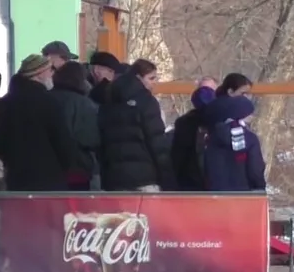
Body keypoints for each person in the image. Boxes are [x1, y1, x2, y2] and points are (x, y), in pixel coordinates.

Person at [0, 55, 83, 191]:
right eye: (49, 69)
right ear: (38, 74)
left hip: (16, 178)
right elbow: (62, 142)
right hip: (49, 179)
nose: (52, 73)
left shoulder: (6, 102)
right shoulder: (49, 101)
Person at [97, 58, 173, 191]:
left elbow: (101, 142)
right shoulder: (146, 101)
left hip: (114, 178)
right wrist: (167, 177)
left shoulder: (108, 101)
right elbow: (157, 142)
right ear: (138, 77)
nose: (154, 83)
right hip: (144, 177)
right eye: (151, 78)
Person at [51, 61, 101, 190]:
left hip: (48, 168)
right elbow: (90, 138)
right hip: (77, 168)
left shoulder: (46, 98)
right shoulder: (85, 104)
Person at [201, 95, 267, 192]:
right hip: (243, 196)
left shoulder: (212, 137)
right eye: (250, 113)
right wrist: (259, 188)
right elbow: (255, 170)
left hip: (214, 195)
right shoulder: (250, 138)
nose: (252, 116)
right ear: (243, 114)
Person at [169, 78, 218, 190]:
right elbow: (177, 157)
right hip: (190, 185)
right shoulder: (184, 123)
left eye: (209, 90)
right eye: (203, 90)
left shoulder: (221, 123)